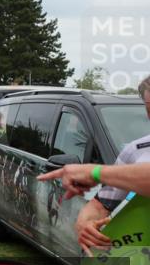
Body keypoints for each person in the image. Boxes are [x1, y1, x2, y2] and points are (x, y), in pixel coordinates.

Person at [58, 76, 150, 255]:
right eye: (149, 108)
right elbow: (100, 205)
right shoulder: (135, 150)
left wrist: (95, 171)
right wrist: (86, 223)